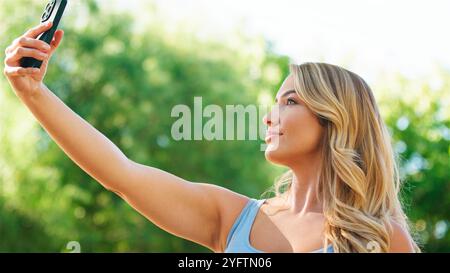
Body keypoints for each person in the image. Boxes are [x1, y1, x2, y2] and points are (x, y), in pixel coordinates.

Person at [3, 22, 420, 253]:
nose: (271, 116)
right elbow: (121, 174)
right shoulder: (233, 217)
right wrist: (33, 92)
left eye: (290, 101)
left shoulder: (378, 239)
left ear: (334, 119)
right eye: (274, 102)